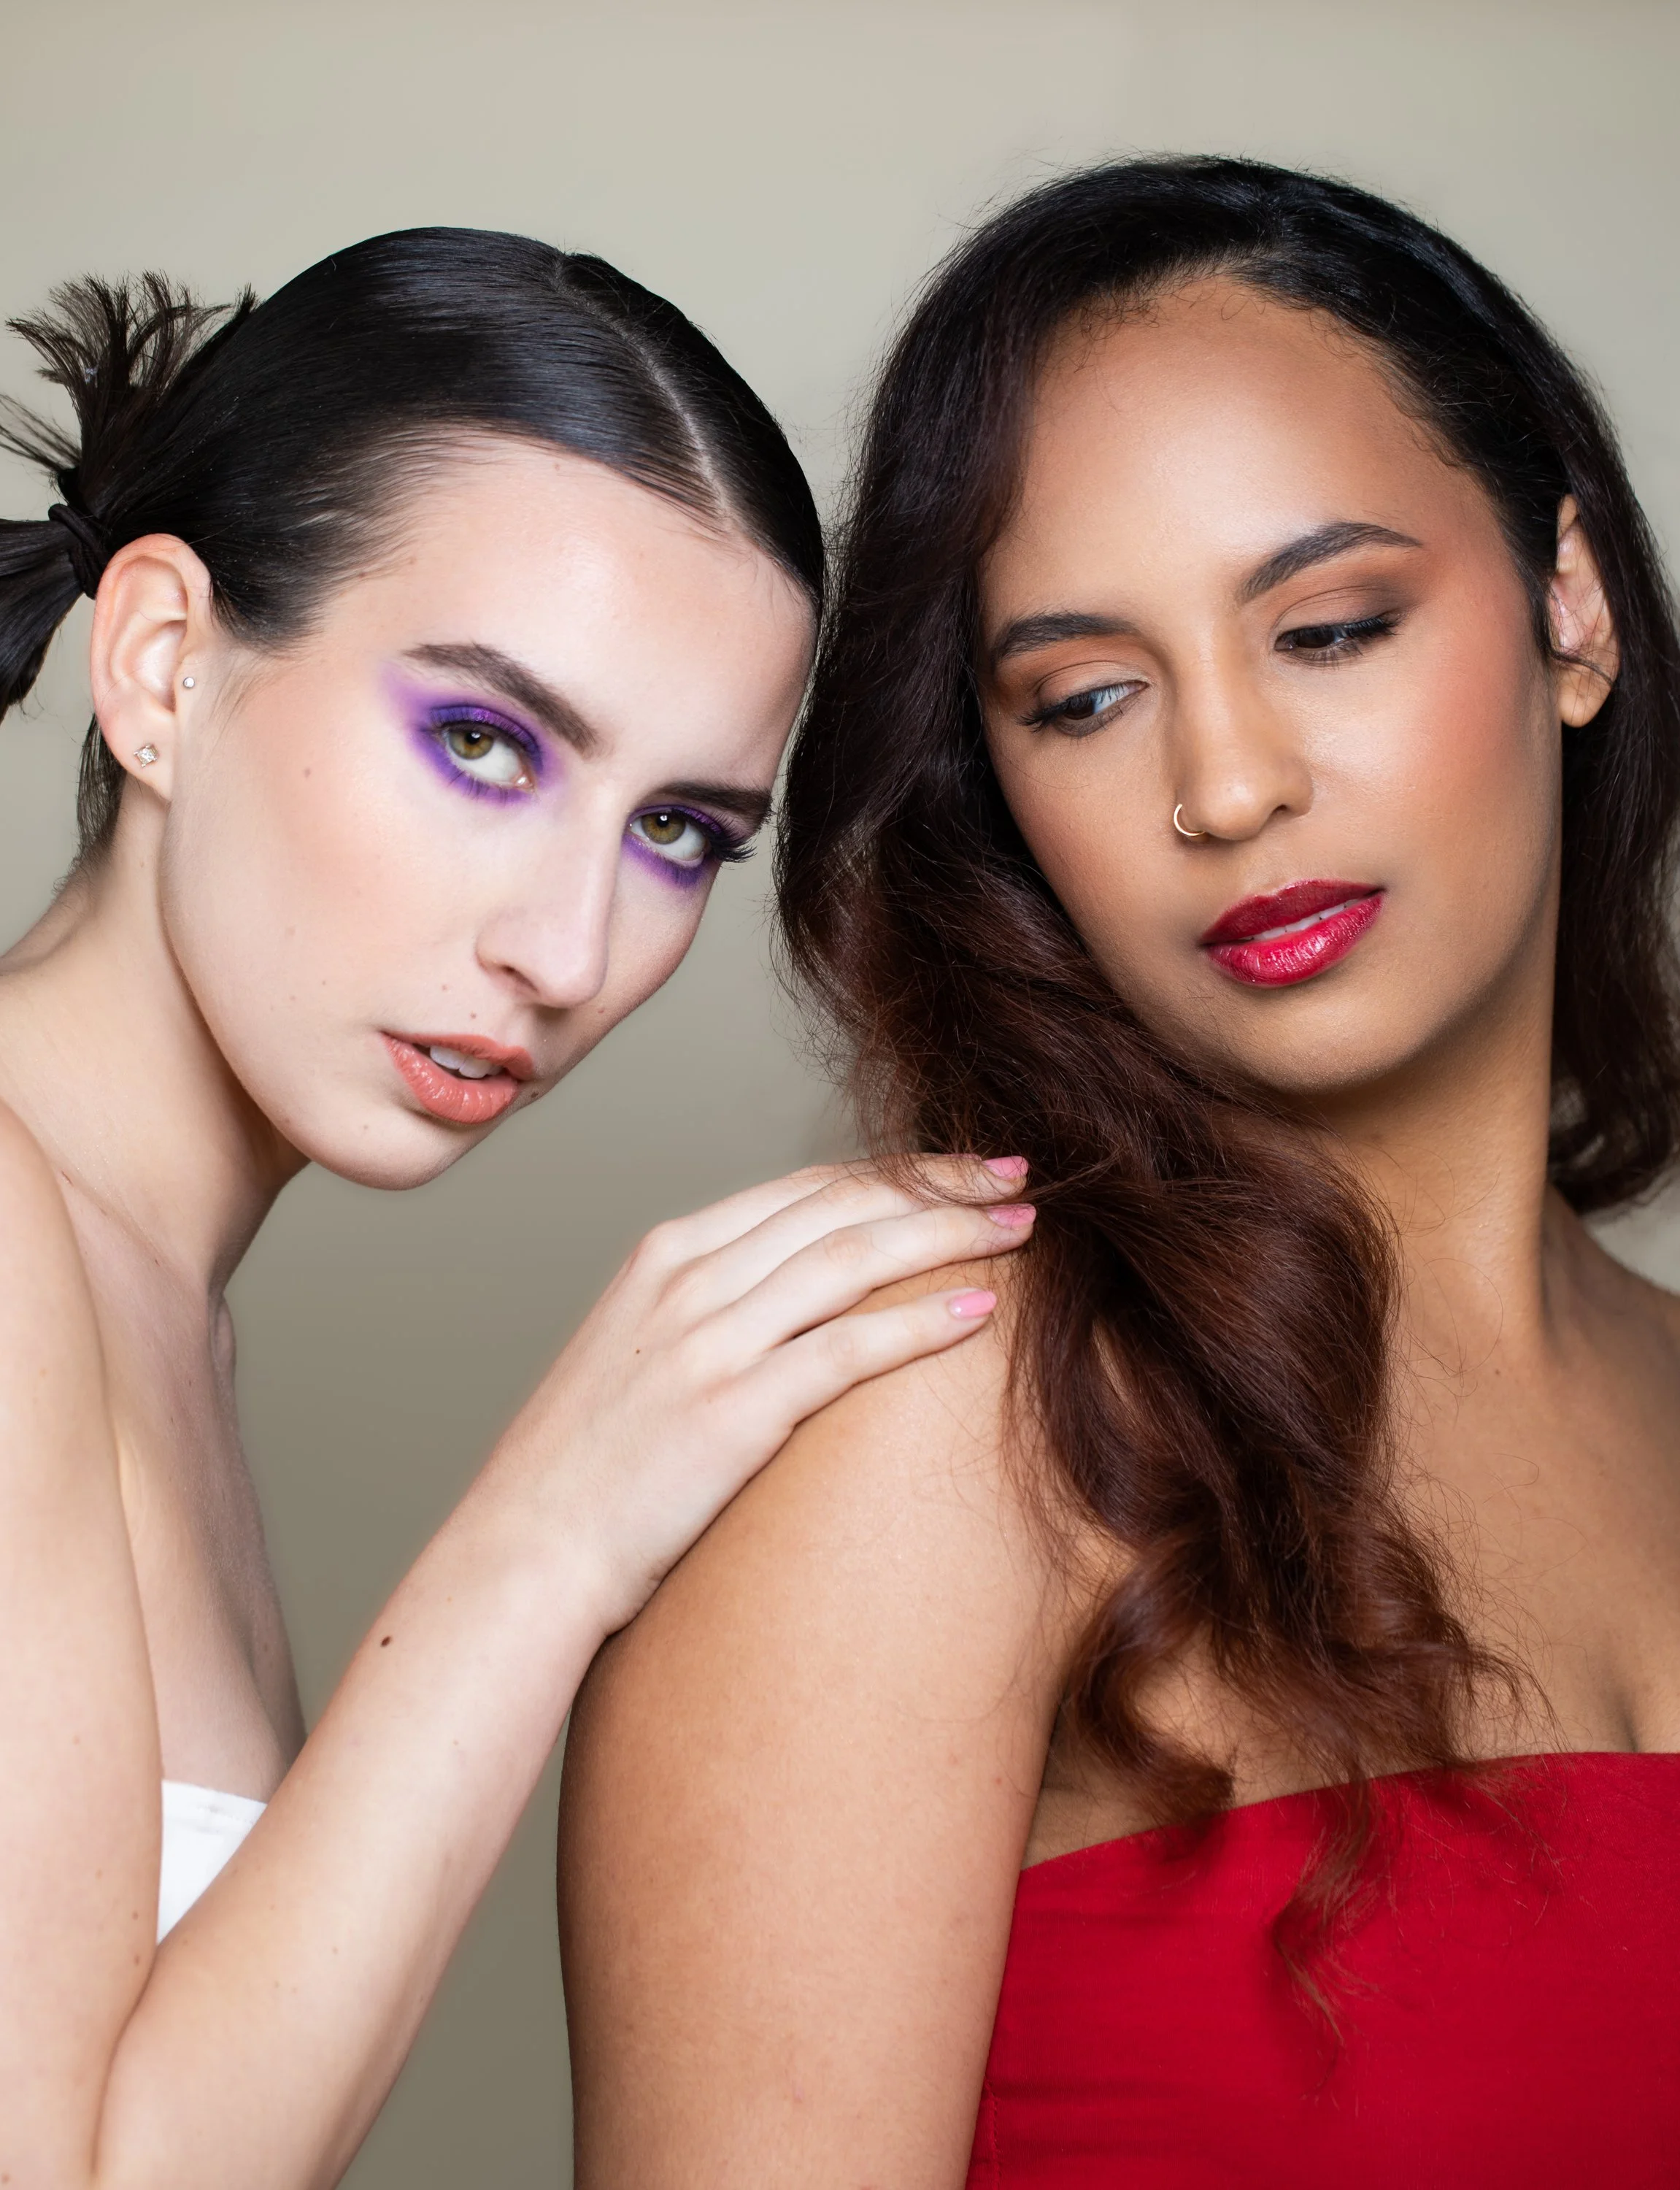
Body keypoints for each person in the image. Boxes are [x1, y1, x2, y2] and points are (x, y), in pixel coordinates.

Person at [558, 158, 1680, 2184]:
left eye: (1329, 627)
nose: (1225, 782)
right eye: (1082, 698)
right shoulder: (930, 1427)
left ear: (1567, 605)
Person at [0, 229, 1034, 2185]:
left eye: (676, 835)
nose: (569, 947)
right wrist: (548, 1536)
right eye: (484, 745)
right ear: (159, 665)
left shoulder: (136, 1305)